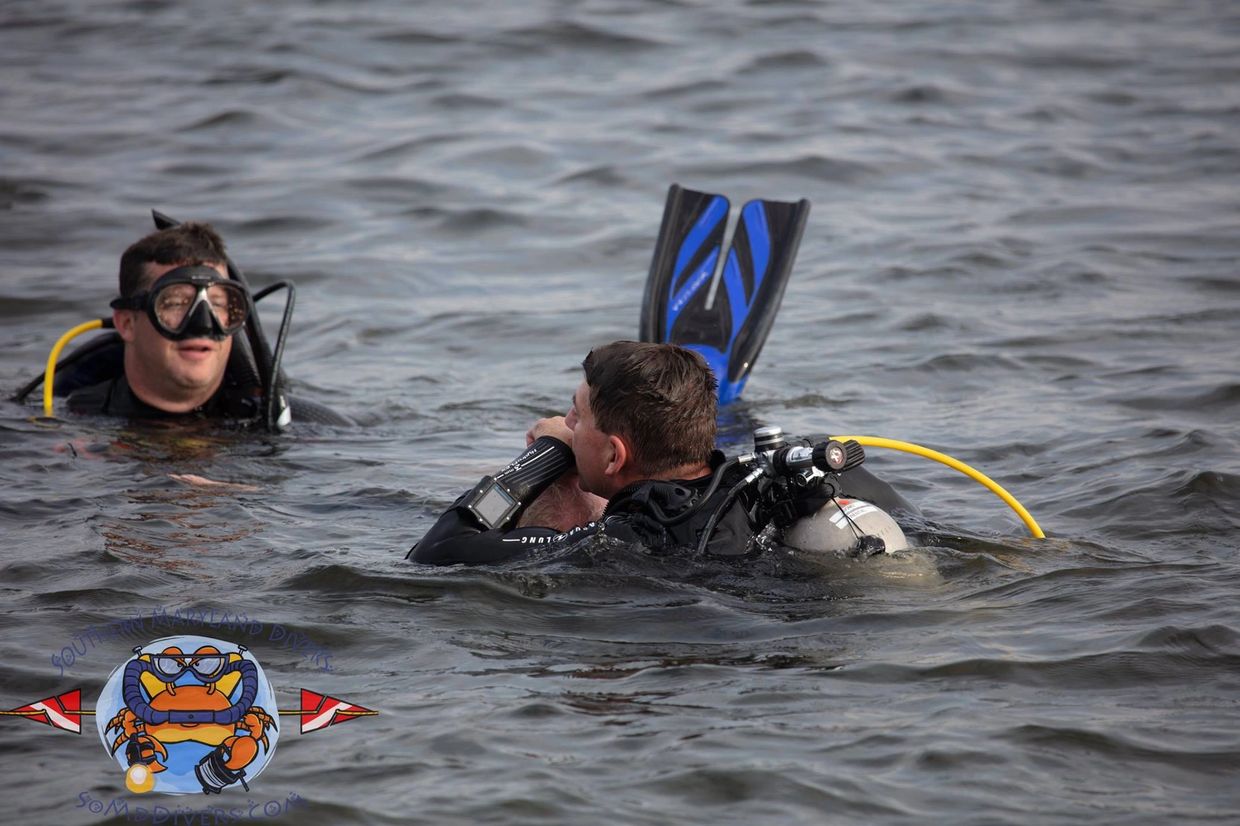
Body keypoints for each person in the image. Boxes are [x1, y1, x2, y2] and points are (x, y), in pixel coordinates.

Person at [63, 222, 261, 419]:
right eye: (175, 303)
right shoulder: (73, 425)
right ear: (127, 323)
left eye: (217, 304)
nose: (203, 324)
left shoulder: (270, 418)